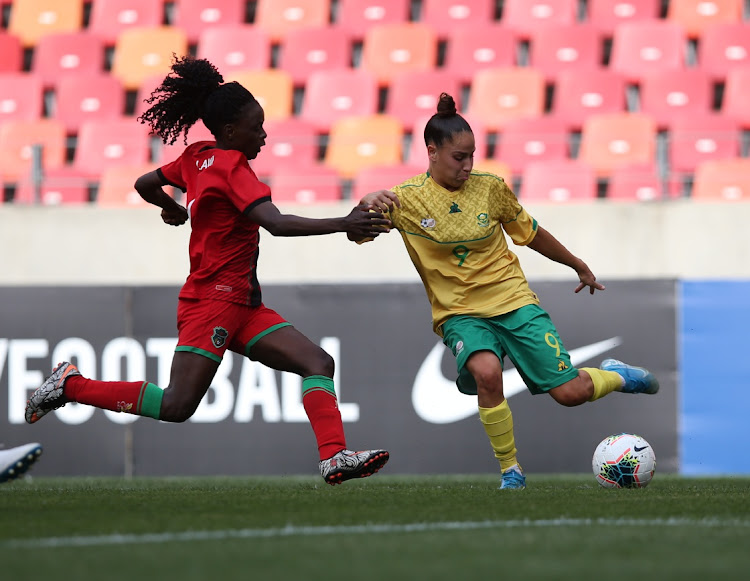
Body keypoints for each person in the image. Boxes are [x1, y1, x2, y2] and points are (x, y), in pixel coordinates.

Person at [24, 56, 392, 485]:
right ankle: (69, 386)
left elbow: (145, 183)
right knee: (177, 406)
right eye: (257, 127)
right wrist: (344, 224)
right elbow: (275, 223)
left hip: (243, 305)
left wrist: (171, 208)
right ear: (231, 132)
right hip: (213, 303)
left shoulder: (197, 156)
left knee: (317, 362)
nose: (264, 135)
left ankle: (334, 457)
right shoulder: (232, 167)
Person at [353, 93, 659, 490]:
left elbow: (531, 235)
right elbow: (358, 230)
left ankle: (615, 376)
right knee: (487, 371)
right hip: (459, 313)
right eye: (458, 157)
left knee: (570, 393)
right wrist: (366, 200)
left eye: (472, 156)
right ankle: (511, 471)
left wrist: (577, 265)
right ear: (431, 152)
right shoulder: (406, 199)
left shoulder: (491, 189)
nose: (467, 165)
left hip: (513, 302)